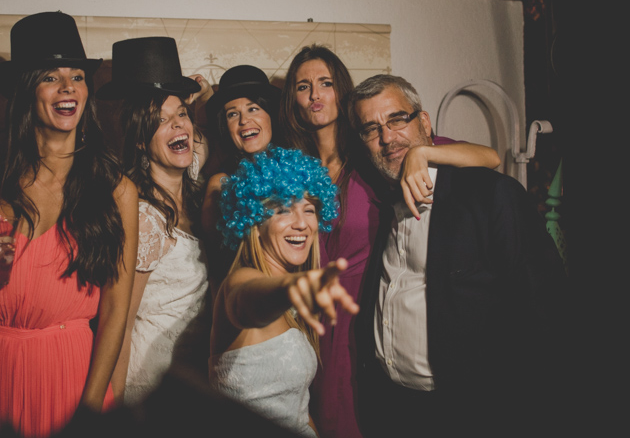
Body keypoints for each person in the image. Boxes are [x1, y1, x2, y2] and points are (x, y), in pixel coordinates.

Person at [278, 44, 501, 438]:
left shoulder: (374, 153)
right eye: (303, 86)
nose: (314, 95)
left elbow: (489, 158)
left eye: (325, 83)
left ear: (341, 91)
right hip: (311, 321)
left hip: (365, 317)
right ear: (292, 101)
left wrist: (423, 154)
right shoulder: (294, 169)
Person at [0, 12, 138, 437]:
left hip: (70, 377)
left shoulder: (116, 190)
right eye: (51, 77)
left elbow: (114, 312)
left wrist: (90, 410)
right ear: (25, 89)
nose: (68, 87)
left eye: (77, 76)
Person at [348, 74, 568, 435]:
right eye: (371, 129)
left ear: (424, 123)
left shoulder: (490, 196)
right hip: (393, 409)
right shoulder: (380, 204)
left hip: (469, 413)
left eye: (396, 119)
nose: (387, 138)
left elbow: (547, 313)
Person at [209, 146, 358, 438]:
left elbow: (298, 410)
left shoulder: (294, 307)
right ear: (254, 220)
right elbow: (245, 302)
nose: (301, 224)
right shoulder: (240, 281)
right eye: (283, 210)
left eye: (309, 210)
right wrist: (291, 288)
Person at [101, 36, 213, 405]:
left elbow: (198, 140)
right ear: (138, 141)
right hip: (152, 384)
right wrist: (112, 408)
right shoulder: (144, 218)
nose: (178, 126)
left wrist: (192, 101)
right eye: (160, 121)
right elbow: (121, 321)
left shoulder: (194, 176)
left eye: (181, 114)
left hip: (196, 377)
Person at [201, 64, 282, 286]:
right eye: (232, 114)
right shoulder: (219, 184)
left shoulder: (298, 172)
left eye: (253, 108)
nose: (244, 121)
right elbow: (215, 268)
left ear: (270, 114)